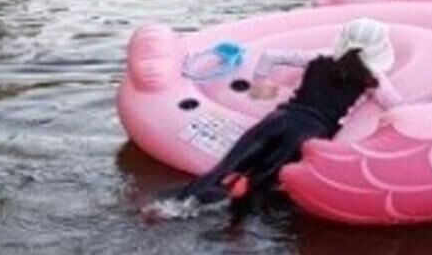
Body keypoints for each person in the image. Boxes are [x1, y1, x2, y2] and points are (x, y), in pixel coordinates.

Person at [163, 20, 401, 216]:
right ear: (378, 50)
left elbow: (270, 55)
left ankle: (168, 208)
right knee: (260, 182)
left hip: (278, 119)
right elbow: (397, 106)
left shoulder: (318, 57)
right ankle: (237, 214)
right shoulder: (374, 78)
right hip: (309, 133)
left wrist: (260, 85)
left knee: (224, 168)